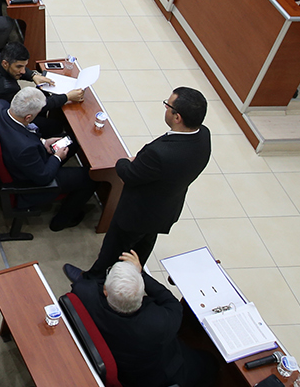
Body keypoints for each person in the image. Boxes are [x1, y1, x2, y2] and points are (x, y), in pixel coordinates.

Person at [71, 87, 211, 280]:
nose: (165, 108)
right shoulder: (204, 135)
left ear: (177, 117)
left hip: (137, 213)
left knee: (114, 249)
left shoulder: (160, 154)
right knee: (143, 247)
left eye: (168, 106)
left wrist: (123, 161)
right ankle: (133, 276)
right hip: (164, 210)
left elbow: (129, 175)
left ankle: (92, 280)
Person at [70, 251, 216, 387]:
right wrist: (141, 274)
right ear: (142, 294)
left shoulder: (83, 293)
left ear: (105, 291)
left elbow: (90, 286)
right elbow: (172, 304)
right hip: (150, 381)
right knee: (210, 364)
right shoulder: (158, 323)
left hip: (123, 370)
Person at [0, 88, 98, 230]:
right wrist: (57, 157)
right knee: (90, 177)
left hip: (22, 155)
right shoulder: (25, 149)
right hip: (29, 183)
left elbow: (24, 136)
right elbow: (44, 177)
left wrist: (43, 141)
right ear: (28, 117)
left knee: (71, 141)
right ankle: (62, 221)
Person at [0, 42, 83, 132]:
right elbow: (33, 106)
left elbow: (17, 70)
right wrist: (67, 97)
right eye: (19, 67)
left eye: (25, 66)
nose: (23, 71)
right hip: (7, 116)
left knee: (43, 90)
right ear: (5, 63)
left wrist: (33, 75)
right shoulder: (6, 89)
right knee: (55, 126)